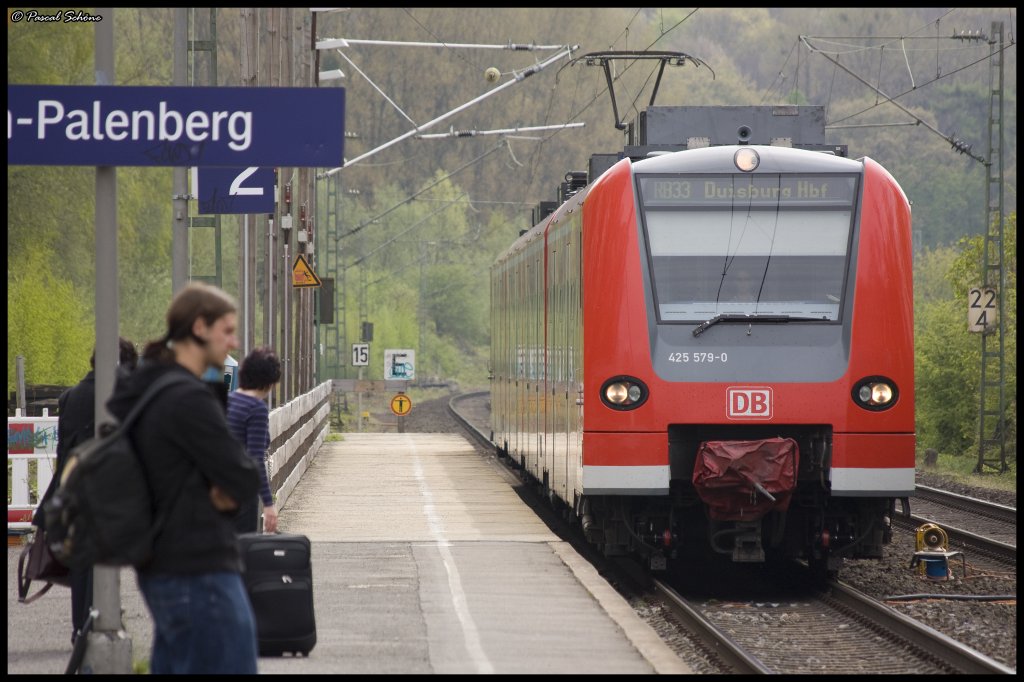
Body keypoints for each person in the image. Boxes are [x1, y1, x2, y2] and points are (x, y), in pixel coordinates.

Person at [105, 282, 260, 674]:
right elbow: (242, 477)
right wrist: (220, 488)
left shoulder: (149, 387)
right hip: (199, 565)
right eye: (226, 330)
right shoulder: (186, 399)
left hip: (161, 563)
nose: (234, 341)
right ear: (199, 328)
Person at [34, 337, 138, 645]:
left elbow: (62, 450)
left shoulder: (69, 397)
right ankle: (102, 619)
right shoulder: (121, 397)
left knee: (80, 561)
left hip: (71, 489)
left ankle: (80, 627)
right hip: (107, 490)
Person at [227, 346, 282, 534]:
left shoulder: (229, 400)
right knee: (243, 551)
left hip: (219, 489)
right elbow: (256, 458)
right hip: (242, 491)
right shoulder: (256, 408)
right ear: (269, 381)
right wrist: (268, 503)